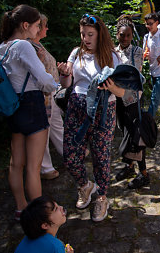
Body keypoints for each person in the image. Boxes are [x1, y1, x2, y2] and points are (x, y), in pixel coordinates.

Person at [57, 14, 125, 222]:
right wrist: (63, 74)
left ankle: (101, 197)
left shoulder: (112, 57)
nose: (85, 38)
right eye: (83, 34)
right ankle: (85, 186)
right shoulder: (76, 53)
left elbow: (123, 92)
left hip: (104, 110)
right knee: (70, 155)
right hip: (77, 109)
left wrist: (111, 87)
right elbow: (67, 84)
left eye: (90, 34)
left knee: (100, 156)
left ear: (99, 35)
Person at [0, 4, 57, 220]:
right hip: (31, 103)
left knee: (16, 163)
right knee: (33, 167)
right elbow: (43, 79)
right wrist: (54, 84)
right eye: (37, 25)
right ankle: (40, 215)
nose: (38, 30)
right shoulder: (23, 46)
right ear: (25, 25)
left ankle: (21, 208)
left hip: (13, 106)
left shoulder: (1, 47)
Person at [113, 16, 150, 189]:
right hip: (117, 97)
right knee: (125, 131)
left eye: (128, 35)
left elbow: (135, 72)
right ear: (117, 35)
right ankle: (129, 166)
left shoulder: (136, 51)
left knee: (136, 134)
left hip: (133, 98)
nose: (125, 39)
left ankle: (143, 173)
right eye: (122, 35)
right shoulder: (113, 52)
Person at [27, 14, 64, 180]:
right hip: (42, 97)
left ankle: (69, 152)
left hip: (52, 94)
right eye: (44, 26)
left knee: (57, 126)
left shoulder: (37, 45)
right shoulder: (30, 47)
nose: (47, 29)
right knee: (44, 132)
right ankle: (45, 168)